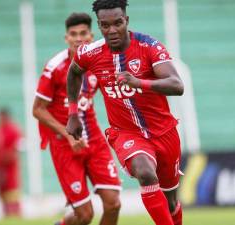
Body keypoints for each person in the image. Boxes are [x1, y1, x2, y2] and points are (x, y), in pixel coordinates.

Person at [66, 1, 184, 225]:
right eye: (105, 25)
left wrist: (139, 82)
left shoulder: (148, 46)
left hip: (164, 132)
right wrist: (73, 113)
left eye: (117, 23)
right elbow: (74, 73)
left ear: (126, 21)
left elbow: (177, 85)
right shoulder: (90, 53)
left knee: (170, 203)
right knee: (145, 172)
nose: (112, 30)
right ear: (99, 26)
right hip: (125, 133)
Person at [32, 12, 122, 225]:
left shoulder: (98, 63)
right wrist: (68, 134)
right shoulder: (55, 67)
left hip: (94, 140)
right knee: (85, 215)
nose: (78, 38)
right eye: (73, 34)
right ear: (66, 38)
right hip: (65, 144)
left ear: (91, 36)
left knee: (113, 204)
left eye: (83, 33)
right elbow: (37, 109)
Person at [0, 108, 22, 217]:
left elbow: (18, 146)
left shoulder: (13, 129)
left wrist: (9, 155)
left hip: (10, 166)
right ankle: (7, 216)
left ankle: (15, 214)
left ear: (6, 117)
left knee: (12, 190)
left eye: (1, 117)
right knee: (2, 191)